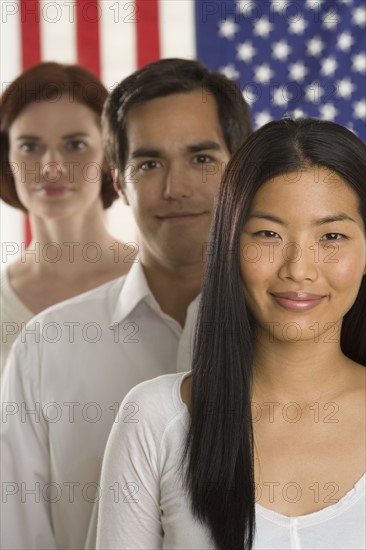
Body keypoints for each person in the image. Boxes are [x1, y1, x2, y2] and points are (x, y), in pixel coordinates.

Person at [0, 58, 251, 549]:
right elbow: (19, 534)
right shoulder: (47, 346)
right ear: (117, 178)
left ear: (240, 169)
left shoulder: (298, 330)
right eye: (149, 163)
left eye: (201, 158)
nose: (176, 188)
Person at [96, 119, 366, 550]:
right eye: (268, 234)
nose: (298, 268)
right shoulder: (154, 420)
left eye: (332, 235)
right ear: (229, 244)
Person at [0, 62, 136, 373]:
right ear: (7, 158)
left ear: (108, 154)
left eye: (75, 145)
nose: (51, 167)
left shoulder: (158, 286)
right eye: (30, 146)